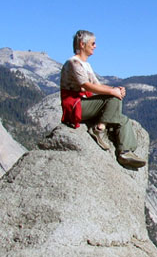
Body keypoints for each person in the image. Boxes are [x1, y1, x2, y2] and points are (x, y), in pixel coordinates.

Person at [60, 30, 146, 169]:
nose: (95, 46)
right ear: (82, 44)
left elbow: (98, 85)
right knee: (113, 97)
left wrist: (115, 88)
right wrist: (113, 92)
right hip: (76, 106)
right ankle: (99, 128)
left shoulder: (85, 64)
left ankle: (125, 152)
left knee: (122, 119)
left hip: (84, 104)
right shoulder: (73, 63)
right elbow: (86, 85)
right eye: (93, 43)